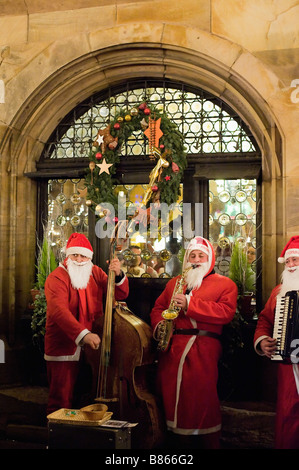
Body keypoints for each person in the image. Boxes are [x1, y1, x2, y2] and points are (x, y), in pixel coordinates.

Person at [150, 236, 238, 449]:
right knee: (170, 397)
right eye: (193, 255)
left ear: (210, 259)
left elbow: (225, 313)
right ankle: (177, 445)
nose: (196, 259)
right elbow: (157, 308)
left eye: (201, 255)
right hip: (172, 349)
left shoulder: (225, 284)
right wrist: (161, 325)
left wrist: (190, 303)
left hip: (203, 348)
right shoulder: (174, 283)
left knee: (200, 399)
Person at [44, 232, 129, 415]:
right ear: (67, 256)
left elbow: (118, 295)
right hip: (64, 345)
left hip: (93, 348)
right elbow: (59, 312)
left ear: (89, 257)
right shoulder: (56, 277)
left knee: (86, 396)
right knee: (61, 399)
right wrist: (83, 334)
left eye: (83, 255)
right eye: (75, 255)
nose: (79, 259)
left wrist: (118, 274)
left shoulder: (95, 272)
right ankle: (58, 438)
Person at [253, 235, 299, 449]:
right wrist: (262, 340)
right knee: (288, 413)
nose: (290, 266)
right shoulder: (278, 293)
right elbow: (265, 320)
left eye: (295, 261)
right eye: (288, 261)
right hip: (288, 364)